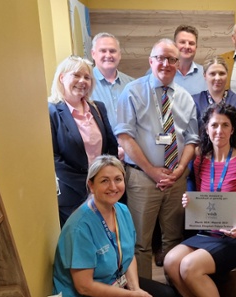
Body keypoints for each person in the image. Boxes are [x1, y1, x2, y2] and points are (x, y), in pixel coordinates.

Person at [114, 38, 199, 279]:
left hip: (176, 179)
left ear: (178, 63)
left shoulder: (185, 97)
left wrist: (180, 169)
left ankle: (173, 289)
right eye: (160, 58)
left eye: (172, 59)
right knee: (140, 242)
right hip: (142, 179)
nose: (166, 64)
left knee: (173, 238)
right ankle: (142, 290)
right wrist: (152, 170)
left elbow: (192, 139)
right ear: (151, 61)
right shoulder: (132, 92)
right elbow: (124, 136)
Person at [163, 103, 236, 297]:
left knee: (189, 266)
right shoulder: (200, 160)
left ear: (233, 129)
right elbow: (204, 195)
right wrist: (190, 201)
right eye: (214, 125)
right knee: (170, 261)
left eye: (225, 125)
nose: (219, 130)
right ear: (207, 129)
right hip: (209, 232)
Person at [52, 155, 176, 297]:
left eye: (118, 179)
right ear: (91, 185)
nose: (113, 187)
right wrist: (131, 295)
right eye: (104, 181)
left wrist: (135, 289)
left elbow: (128, 256)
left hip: (114, 281)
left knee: (168, 294)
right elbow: (84, 287)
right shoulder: (79, 228)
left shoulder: (122, 210)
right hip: (86, 292)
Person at [48, 55, 119, 227]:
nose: (82, 81)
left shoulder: (97, 108)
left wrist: (105, 182)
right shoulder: (51, 111)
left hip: (102, 192)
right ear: (62, 77)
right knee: (79, 245)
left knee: (103, 242)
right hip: (72, 195)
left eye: (87, 77)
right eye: (76, 75)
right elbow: (53, 158)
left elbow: (110, 147)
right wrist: (89, 186)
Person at [147, 25, 208, 96]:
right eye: (182, 42)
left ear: (196, 47)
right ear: (174, 46)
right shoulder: (157, 70)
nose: (187, 46)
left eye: (191, 43)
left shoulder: (206, 74)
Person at [90, 32, 134, 130]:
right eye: (103, 51)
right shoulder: (85, 85)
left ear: (119, 55)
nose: (108, 55)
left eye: (112, 51)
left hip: (129, 144)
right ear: (93, 54)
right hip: (100, 145)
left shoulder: (132, 84)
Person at [192, 56, 236, 129]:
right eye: (212, 74)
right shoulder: (194, 102)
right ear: (205, 76)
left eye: (222, 73)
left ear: (227, 75)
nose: (217, 78)